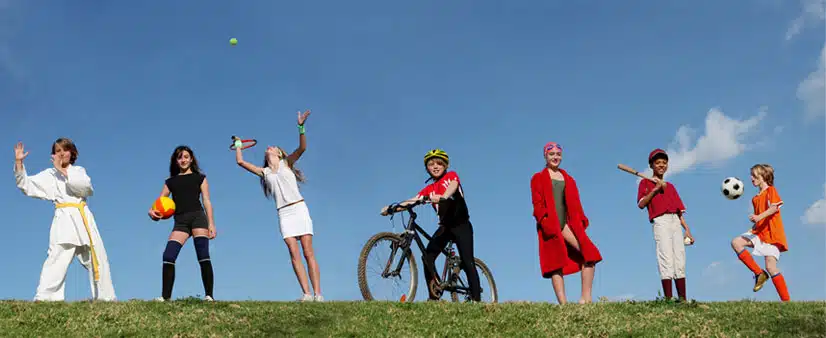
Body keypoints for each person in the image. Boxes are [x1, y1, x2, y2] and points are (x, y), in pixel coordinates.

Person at [234, 110, 323, 302]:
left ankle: (318, 294)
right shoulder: (264, 172)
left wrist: (301, 127)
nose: (269, 147)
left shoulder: (287, 163)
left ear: (279, 153)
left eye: (273, 147)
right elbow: (240, 161)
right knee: (293, 252)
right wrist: (239, 145)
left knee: (308, 251)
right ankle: (307, 294)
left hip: (299, 208)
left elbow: (303, 148)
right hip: (284, 214)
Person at [13, 139, 117, 302]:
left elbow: (85, 188)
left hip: (83, 219)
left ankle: (105, 297)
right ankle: (47, 297)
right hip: (63, 219)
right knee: (57, 257)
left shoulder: (78, 171)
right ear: (53, 155)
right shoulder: (50, 175)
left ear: (72, 153)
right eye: (58, 151)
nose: (61, 153)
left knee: (97, 257)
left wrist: (61, 170)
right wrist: (19, 163)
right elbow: (26, 185)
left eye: (65, 150)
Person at [381, 149, 481, 302]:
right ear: (427, 168)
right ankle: (434, 296)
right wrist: (393, 208)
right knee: (427, 257)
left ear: (445, 165)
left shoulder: (450, 176)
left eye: (439, 163)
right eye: (431, 164)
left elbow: (453, 185)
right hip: (445, 228)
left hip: (461, 225)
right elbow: (414, 199)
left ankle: (476, 299)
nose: (435, 166)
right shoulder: (430, 189)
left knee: (467, 261)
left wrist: (444, 196)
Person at [529, 142, 602, 304]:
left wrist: (581, 220)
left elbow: (575, 203)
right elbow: (537, 204)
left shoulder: (568, 179)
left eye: (558, 154)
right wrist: (545, 221)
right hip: (550, 225)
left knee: (589, 254)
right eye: (551, 154)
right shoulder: (538, 178)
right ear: (545, 156)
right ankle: (563, 304)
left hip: (568, 224)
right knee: (555, 264)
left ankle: (585, 298)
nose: (555, 157)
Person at [148, 145, 216, 301]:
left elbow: (206, 201)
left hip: (198, 218)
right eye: (180, 158)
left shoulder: (200, 178)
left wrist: (211, 223)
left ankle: (209, 296)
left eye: (186, 157)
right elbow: (159, 203)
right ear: (176, 161)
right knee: (168, 256)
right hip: (180, 222)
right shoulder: (170, 182)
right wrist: (151, 212)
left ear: (191, 159)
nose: (183, 160)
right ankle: (165, 297)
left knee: (203, 255)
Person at [637, 148, 694, 301]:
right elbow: (641, 204)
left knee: (679, 257)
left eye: (664, 162)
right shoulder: (645, 183)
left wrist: (687, 230)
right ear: (651, 165)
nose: (661, 165)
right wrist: (655, 190)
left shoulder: (671, 186)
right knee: (665, 256)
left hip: (675, 221)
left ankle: (682, 299)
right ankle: (668, 298)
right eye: (658, 163)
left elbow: (679, 212)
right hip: (660, 220)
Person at [730, 164, 790, 302]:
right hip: (759, 232)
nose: (751, 178)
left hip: (772, 233)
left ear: (763, 176)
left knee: (771, 267)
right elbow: (760, 218)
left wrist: (759, 217)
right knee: (736, 242)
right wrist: (755, 224)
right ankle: (759, 273)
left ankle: (786, 301)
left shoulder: (771, 190)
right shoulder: (755, 198)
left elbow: (774, 208)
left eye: (754, 175)